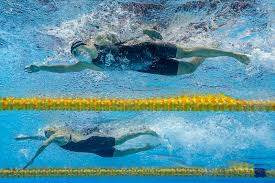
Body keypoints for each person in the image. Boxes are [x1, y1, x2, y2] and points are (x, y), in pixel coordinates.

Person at [25, 29, 250, 76]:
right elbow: (64, 69)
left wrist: (145, 29)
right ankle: (209, 43)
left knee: (187, 50)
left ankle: (232, 54)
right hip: (145, 67)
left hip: (149, 49)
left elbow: (124, 31)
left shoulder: (101, 41)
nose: (80, 55)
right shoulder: (87, 64)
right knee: (189, 68)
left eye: (81, 49)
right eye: (76, 54)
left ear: (88, 45)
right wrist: (40, 67)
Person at [15, 126, 160, 169]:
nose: (46, 135)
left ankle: (143, 130)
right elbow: (42, 139)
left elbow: (44, 143)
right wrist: (25, 137)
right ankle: (145, 147)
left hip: (95, 142)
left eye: (47, 132)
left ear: (53, 130)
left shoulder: (58, 134)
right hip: (95, 150)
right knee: (121, 153)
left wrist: (32, 160)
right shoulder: (54, 137)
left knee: (121, 140)